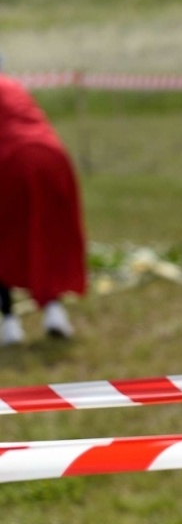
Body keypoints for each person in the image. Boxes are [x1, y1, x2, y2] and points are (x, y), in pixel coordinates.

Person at [0, 76, 86, 345]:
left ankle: (9, 321)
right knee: (47, 235)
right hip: (52, 158)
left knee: (4, 240)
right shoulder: (13, 87)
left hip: (10, 161)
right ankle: (54, 311)